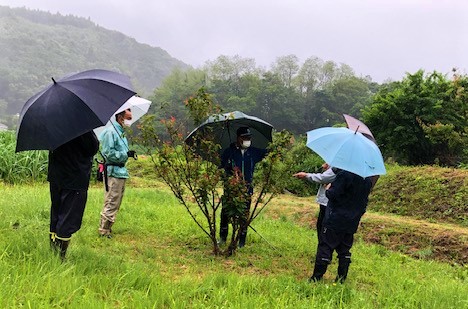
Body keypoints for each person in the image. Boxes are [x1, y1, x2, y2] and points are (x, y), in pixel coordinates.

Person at [309, 168, 372, 283]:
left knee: (326, 245)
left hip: (335, 217)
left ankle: (316, 278)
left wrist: (328, 188)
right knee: (344, 249)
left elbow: (333, 194)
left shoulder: (344, 174)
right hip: (352, 220)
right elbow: (364, 201)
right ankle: (341, 278)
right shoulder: (367, 179)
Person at [48, 131, 99, 260]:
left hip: (56, 176)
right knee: (68, 217)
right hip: (74, 177)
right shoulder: (81, 127)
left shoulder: (54, 122)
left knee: (57, 212)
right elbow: (91, 148)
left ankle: (53, 249)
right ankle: (61, 257)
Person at [219, 126, 267, 248]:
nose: (247, 140)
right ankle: (223, 237)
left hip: (247, 189)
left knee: (244, 214)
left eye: (249, 138)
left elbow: (267, 153)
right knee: (225, 213)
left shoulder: (253, 152)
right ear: (238, 138)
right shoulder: (228, 152)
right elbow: (221, 166)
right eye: (244, 137)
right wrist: (231, 170)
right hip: (231, 188)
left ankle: (241, 240)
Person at [98, 108, 136, 238]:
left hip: (121, 171)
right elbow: (108, 153)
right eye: (128, 118)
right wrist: (125, 154)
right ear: (120, 117)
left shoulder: (121, 133)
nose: (129, 121)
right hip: (113, 171)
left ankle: (108, 227)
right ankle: (104, 230)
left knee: (116, 200)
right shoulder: (111, 132)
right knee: (112, 200)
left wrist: (128, 154)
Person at [293, 163, 336, 240]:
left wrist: (306, 175)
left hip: (329, 202)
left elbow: (323, 178)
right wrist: (327, 169)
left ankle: (323, 250)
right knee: (323, 226)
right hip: (329, 201)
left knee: (324, 228)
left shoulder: (339, 167)